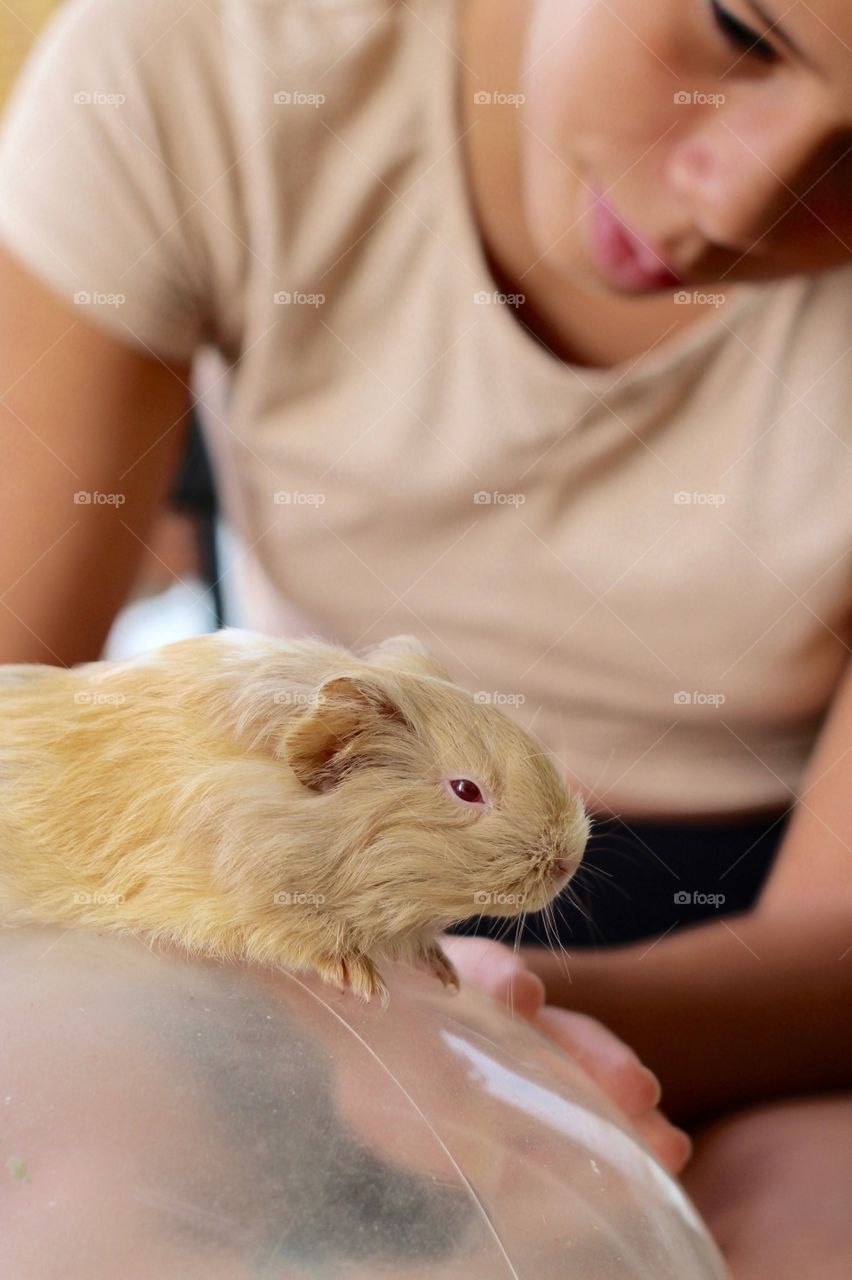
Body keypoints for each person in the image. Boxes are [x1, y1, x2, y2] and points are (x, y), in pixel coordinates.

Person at [0, 1, 849, 1274]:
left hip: (755, 978)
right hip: (259, 933)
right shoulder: (208, 55)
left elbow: (830, 951)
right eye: (739, 28)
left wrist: (481, 1032)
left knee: (799, 1217)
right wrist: (266, 1003)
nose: (731, 201)